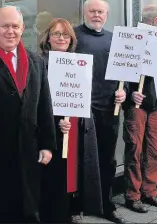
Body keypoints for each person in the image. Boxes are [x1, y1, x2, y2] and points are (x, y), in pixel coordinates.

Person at [0, 6, 56, 222]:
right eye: (5, 26)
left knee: (27, 208)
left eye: (15, 26)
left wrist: (47, 143)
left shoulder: (36, 61)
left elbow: (44, 104)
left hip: (27, 150)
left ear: (23, 28)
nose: (10, 31)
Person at [38, 18, 103, 223]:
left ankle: (69, 212)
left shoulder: (78, 62)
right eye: (56, 34)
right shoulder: (39, 62)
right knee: (53, 178)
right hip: (50, 128)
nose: (61, 38)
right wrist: (55, 121)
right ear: (48, 38)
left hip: (74, 126)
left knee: (72, 175)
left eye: (65, 34)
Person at [73, 0, 127, 224]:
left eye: (101, 12)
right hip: (80, 108)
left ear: (107, 14)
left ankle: (107, 205)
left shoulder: (115, 40)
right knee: (77, 159)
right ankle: (75, 207)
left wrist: (124, 92)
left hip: (108, 109)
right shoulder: (73, 37)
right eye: (92, 11)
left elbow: (125, 71)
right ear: (84, 13)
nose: (97, 15)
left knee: (107, 160)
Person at [123, 4, 157, 213]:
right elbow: (121, 70)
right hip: (137, 104)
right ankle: (133, 195)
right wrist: (130, 91)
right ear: (156, 21)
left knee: (154, 150)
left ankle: (150, 191)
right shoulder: (132, 41)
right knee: (135, 149)